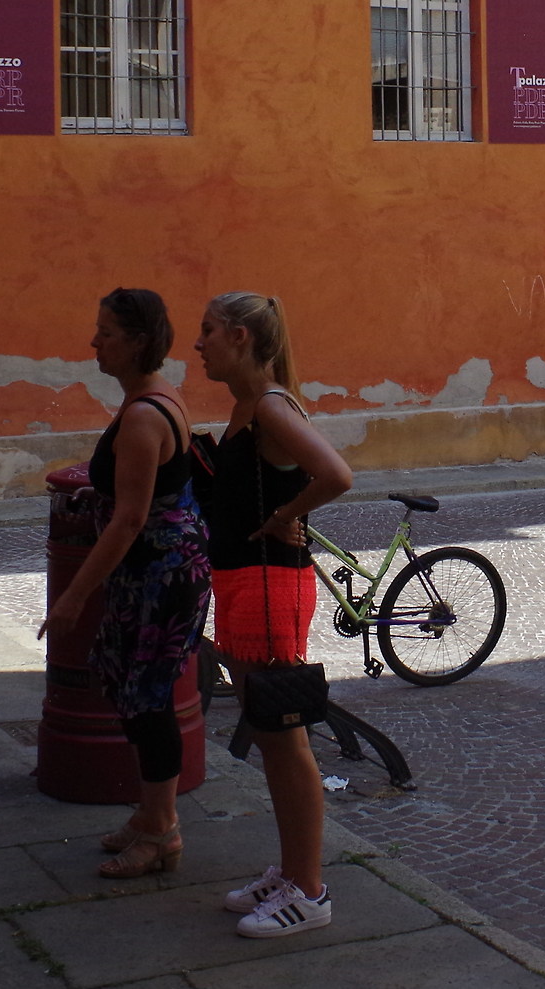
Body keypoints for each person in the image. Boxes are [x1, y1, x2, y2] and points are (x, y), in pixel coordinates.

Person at [194, 291, 354, 940]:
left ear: (237, 336)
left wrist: (287, 518)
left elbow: (335, 473)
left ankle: (309, 890)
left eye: (205, 331)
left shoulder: (268, 407)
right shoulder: (247, 407)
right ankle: (291, 872)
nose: (196, 343)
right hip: (243, 581)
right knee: (266, 732)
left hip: (268, 586)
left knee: (284, 738)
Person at [38, 288, 211, 880]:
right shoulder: (158, 396)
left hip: (157, 577)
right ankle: (149, 815)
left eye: (106, 332)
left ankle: (162, 831)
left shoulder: (142, 415)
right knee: (139, 693)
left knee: (151, 700)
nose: (94, 342)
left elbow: (132, 517)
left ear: (137, 342)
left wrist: (73, 596)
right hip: (161, 568)